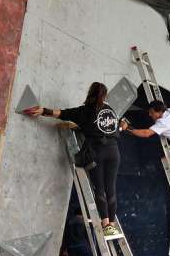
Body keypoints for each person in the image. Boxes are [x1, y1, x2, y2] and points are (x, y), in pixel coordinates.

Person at [25, 82, 121, 237]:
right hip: (114, 151)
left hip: (97, 151)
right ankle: (112, 225)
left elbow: (60, 113)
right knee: (111, 188)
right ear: (104, 95)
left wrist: (42, 110)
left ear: (90, 93)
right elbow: (109, 127)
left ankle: (105, 223)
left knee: (100, 188)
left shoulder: (85, 111)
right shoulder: (110, 111)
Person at [122, 100, 170, 209]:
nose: (150, 115)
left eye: (151, 112)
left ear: (159, 111)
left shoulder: (163, 122)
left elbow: (146, 134)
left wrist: (128, 128)